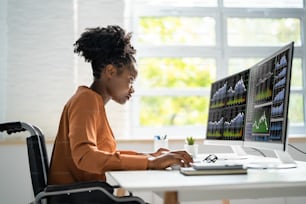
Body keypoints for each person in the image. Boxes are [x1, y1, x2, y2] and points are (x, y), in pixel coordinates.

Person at [48, 25, 193, 186]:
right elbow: (86, 157)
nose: (132, 88)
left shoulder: (91, 101)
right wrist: (150, 162)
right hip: (76, 198)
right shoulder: (85, 100)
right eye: (130, 79)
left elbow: (105, 155)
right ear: (110, 72)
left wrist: (151, 156)